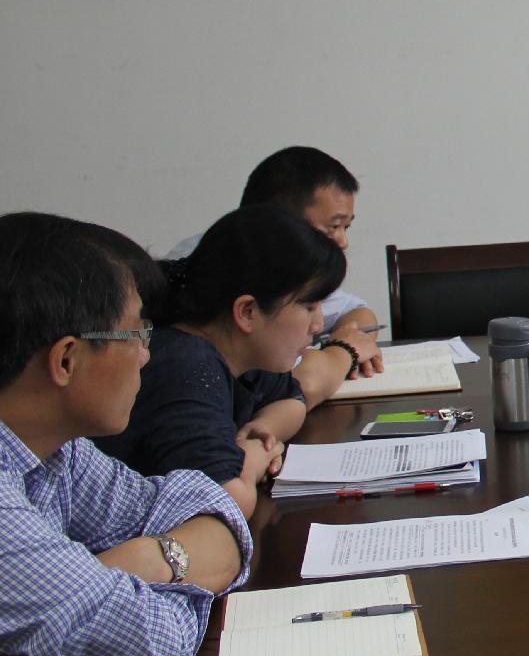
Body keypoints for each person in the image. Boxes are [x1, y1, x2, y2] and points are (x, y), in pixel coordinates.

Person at [0, 212, 249, 656]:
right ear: (67, 359)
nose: (149, 354)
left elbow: (213, 509)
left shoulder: (52, 451)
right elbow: (152, 643)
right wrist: (159, 571)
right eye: (137, 334)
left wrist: (148, 559)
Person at [97, 205, 345, 517]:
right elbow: (224, 501)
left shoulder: (242, 351)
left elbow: (292, 399)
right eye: (309, 307)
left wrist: (262, 429)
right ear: (247, 312)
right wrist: (253, 459)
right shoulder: (186, 365)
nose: (318, 325)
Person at [169, 146, 381, 403]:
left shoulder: (285, 267)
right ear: (281, 220)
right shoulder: (231, 263)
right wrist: (345, 351)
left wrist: (348, 338)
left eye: (346, 227)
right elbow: (302, 387)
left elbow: (358, 312)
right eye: (333, 226)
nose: (343, 242)